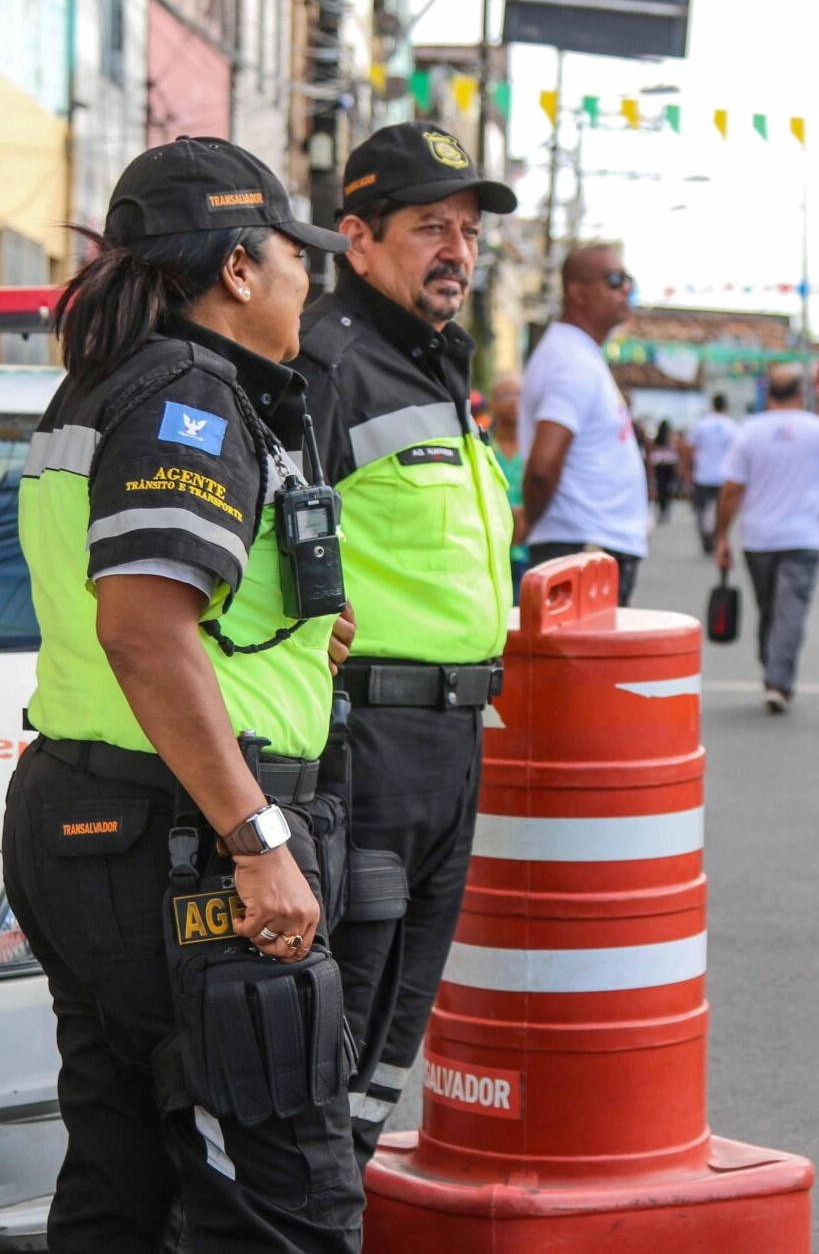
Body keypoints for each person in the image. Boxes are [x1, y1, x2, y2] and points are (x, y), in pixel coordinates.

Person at [2, 137, 364, 1251]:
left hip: (96, 822)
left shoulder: (105, 382)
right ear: (239, 271)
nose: (311, 278)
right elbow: (145, 635)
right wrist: (256, 837)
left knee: (123, 1178)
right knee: (285, 1200)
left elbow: (156, 609)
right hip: (185, 839)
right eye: (294, 254)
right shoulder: (190, 394)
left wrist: (298, 648)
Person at [293, 119, 517, 1166]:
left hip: (452, 748)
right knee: (332, 1039)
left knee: (391, 1044)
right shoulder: (329, 364)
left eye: (468, 232)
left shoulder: (432, 371)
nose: (458, 251)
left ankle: (342, 1207)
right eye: (431, 226)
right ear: (357, 238)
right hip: (364, 748)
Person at [522, 244, 649, 605]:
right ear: (575, 291)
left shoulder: (579, 353)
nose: (625, 289)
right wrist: (532, 522)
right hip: (582, 551)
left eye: (628, 280)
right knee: (587, 662)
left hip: (587, 547)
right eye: (613, 280)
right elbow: (543, 467)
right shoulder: (570, 360)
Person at [715, 364, 819, 714]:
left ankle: (775, 676)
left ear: (768, 394)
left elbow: (730, 490)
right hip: (803, 536)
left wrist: (722, 536)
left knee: (772, 610)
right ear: (802, 394)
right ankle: (776, 673)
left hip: (758, 538)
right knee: (787, 612)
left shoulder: (749, 432)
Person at [488, 372, 529, 604]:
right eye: (505, 395)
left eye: (519, 395)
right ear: (492, 402)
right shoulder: (482, 446)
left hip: (528, 551)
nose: (514, 401)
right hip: (493, 552)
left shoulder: (535, 447)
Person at [683, 392, 739, 554]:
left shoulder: (701, 424)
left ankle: (704, 535)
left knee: (700, 510)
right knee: (720, 510)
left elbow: (689, 447)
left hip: (703, 474)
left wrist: (687, 468)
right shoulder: (732, 426)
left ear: (712, 406)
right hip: (724, 476)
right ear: (726, 407)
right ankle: (716, 536)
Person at [649, 419, 680, 524]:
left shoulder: (657, 439)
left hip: (659, 464)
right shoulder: (670, 438)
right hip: (669, 464)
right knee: (668, 489)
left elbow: (652, 452)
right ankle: (666, 510)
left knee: (661, 488)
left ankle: (662, 510)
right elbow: (675, 451)